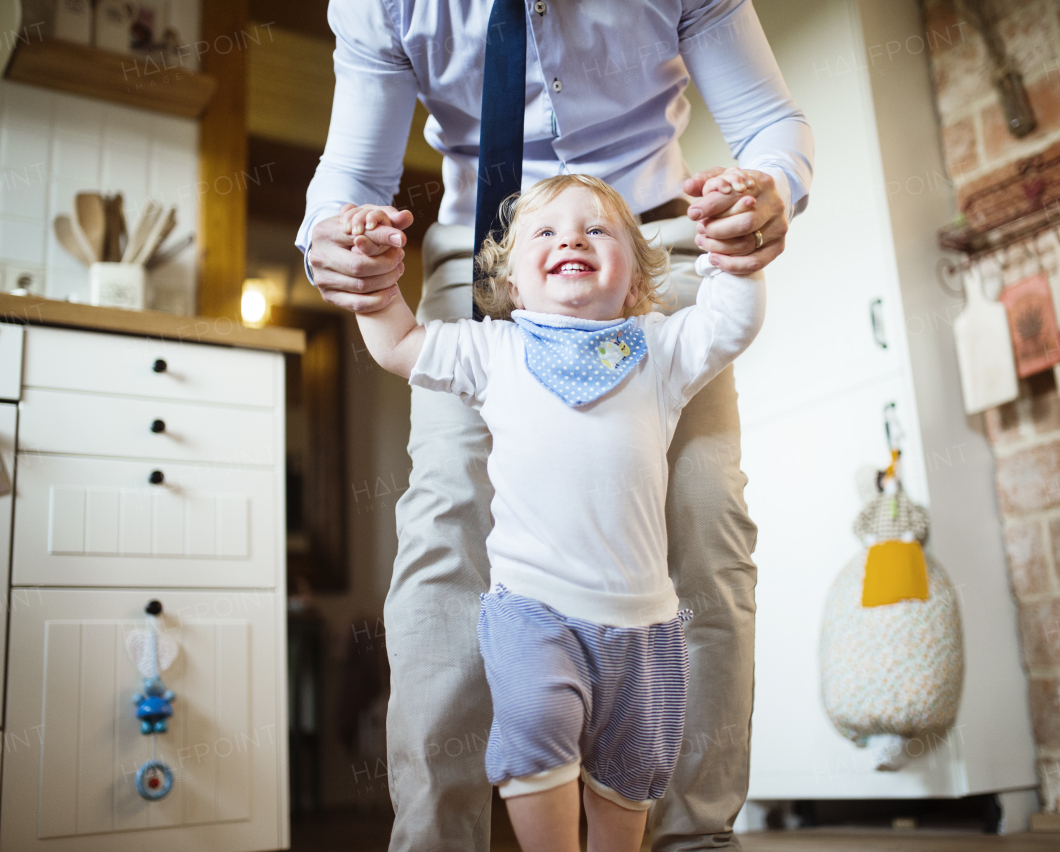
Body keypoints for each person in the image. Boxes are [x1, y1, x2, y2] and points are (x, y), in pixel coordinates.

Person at [297, 3, 813, 849]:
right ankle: (436, 841)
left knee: (706, 517)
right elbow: (352, 178)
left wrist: (766, 192)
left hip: (652, 249)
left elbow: (768, 125)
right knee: (443, 528)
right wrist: (338, 243)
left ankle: (691, 837)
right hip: (485, 257)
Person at [346, 173, 765, 852]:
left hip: (645, 632)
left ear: (636, 279)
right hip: (533, 617)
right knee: (537, 747)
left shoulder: (658, 349)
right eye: (545, 231)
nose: (572, 236)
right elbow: (399, 346)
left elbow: (730, 322)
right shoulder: (493, 351)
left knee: (628, 784)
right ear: (512, 283)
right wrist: (374, 287)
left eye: (597, 229)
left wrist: (736, 257)